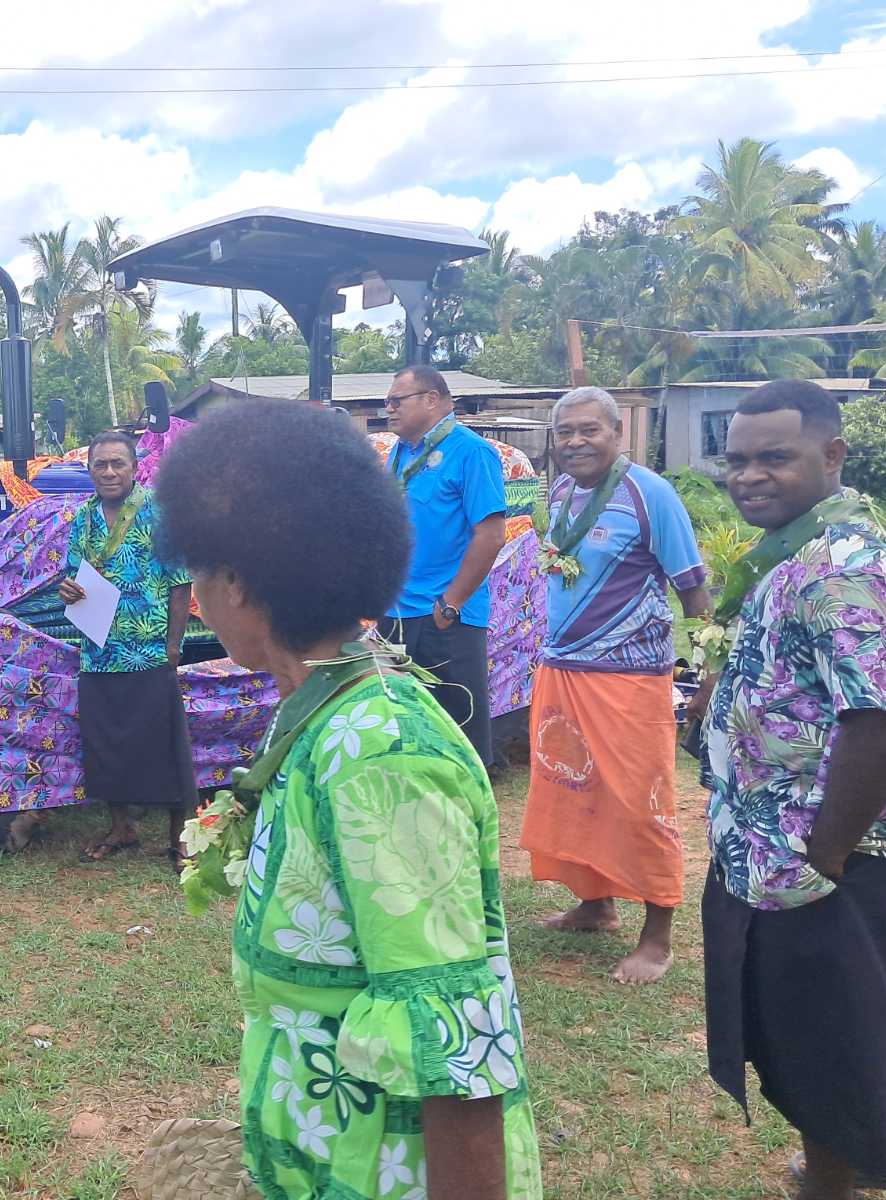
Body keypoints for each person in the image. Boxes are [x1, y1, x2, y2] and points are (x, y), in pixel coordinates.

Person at [154, 399, 542, 1200]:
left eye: (198, 573)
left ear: (237, 582)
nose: (194, 596)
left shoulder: (382, 753)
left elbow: (454, 1041)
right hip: (324, 1149)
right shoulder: (320, 708)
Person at [699, 379, 886, 1199]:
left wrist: (825, 856)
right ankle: (827, 1174)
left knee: (844, 1044)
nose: (749, 476)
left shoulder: (844, 566)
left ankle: (835, 1180)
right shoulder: (794, 551)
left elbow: (880, 719)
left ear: (833, 454)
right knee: (819, 1036)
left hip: (831, 861)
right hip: (774, 847)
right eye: (737, 460)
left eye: (774, 457)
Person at [519, 387, 710, 985]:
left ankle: (658, 935)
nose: (575, 442)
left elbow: (694, 593)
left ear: (617, 432)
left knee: (638, 801)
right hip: (563, 671)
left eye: (589, 430)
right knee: (574, 792)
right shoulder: (559, 493)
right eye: (564, 432)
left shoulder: (650, 494)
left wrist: (709, 676)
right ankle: (595, 904)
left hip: (628, 679)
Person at [56, 429, 195, 866]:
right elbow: (73, 578)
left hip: (148, 649)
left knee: (164, 743)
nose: (109, 471)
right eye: (101, 464)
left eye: (118, 463)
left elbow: (181, 582)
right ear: (90, 470)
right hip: (99, 651)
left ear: (134, 468)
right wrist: (68, 591)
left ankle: (180, 835)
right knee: (106, 743)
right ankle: (121, 828)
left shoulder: (158, 512)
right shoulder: (83, 518)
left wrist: (173, 645)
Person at [381, 366, 507, 766]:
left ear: (431, 399)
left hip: (445, 617)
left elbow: (491, 534)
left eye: (396, 401)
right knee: (403, 728)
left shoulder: (471, 451)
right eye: (387, 402)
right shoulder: (399, 453)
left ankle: (466, 802)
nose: (388, 409)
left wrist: (451, 603)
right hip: (396, 614)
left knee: (456, 731)